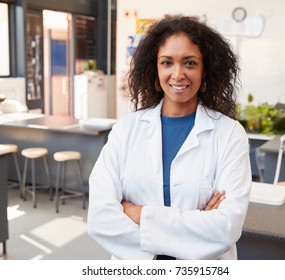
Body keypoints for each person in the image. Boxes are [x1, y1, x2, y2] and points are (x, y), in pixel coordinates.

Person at [87, 15, 251, 260]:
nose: (178, 74)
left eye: (190, 63)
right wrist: (197, 224)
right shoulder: (126, 130)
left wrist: (139, 214)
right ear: (155, 68)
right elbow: (100, 219)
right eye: (167, 63)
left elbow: (225, 228)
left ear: (205, 70)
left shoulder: (229, 134)